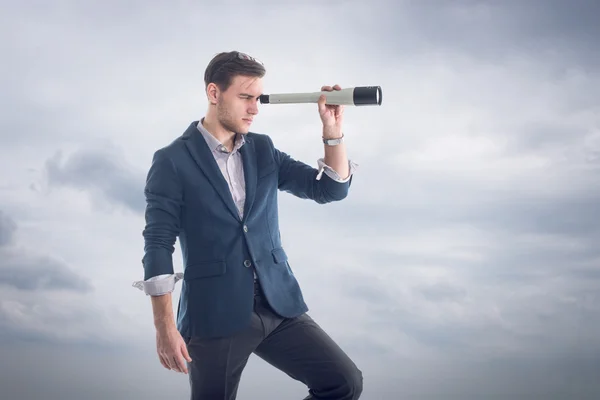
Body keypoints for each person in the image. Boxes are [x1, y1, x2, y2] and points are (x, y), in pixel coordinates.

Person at [132, 50, 363, 400]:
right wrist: (164, 327)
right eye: (245, 98)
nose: (254, 108)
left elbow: (329, 189)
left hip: (277, 303)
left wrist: (332, 132)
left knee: (344, 383)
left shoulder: (263, 149)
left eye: (257, 99)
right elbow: (158, 244)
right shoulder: (172, 161)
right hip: (214, 313)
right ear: (214, 93)